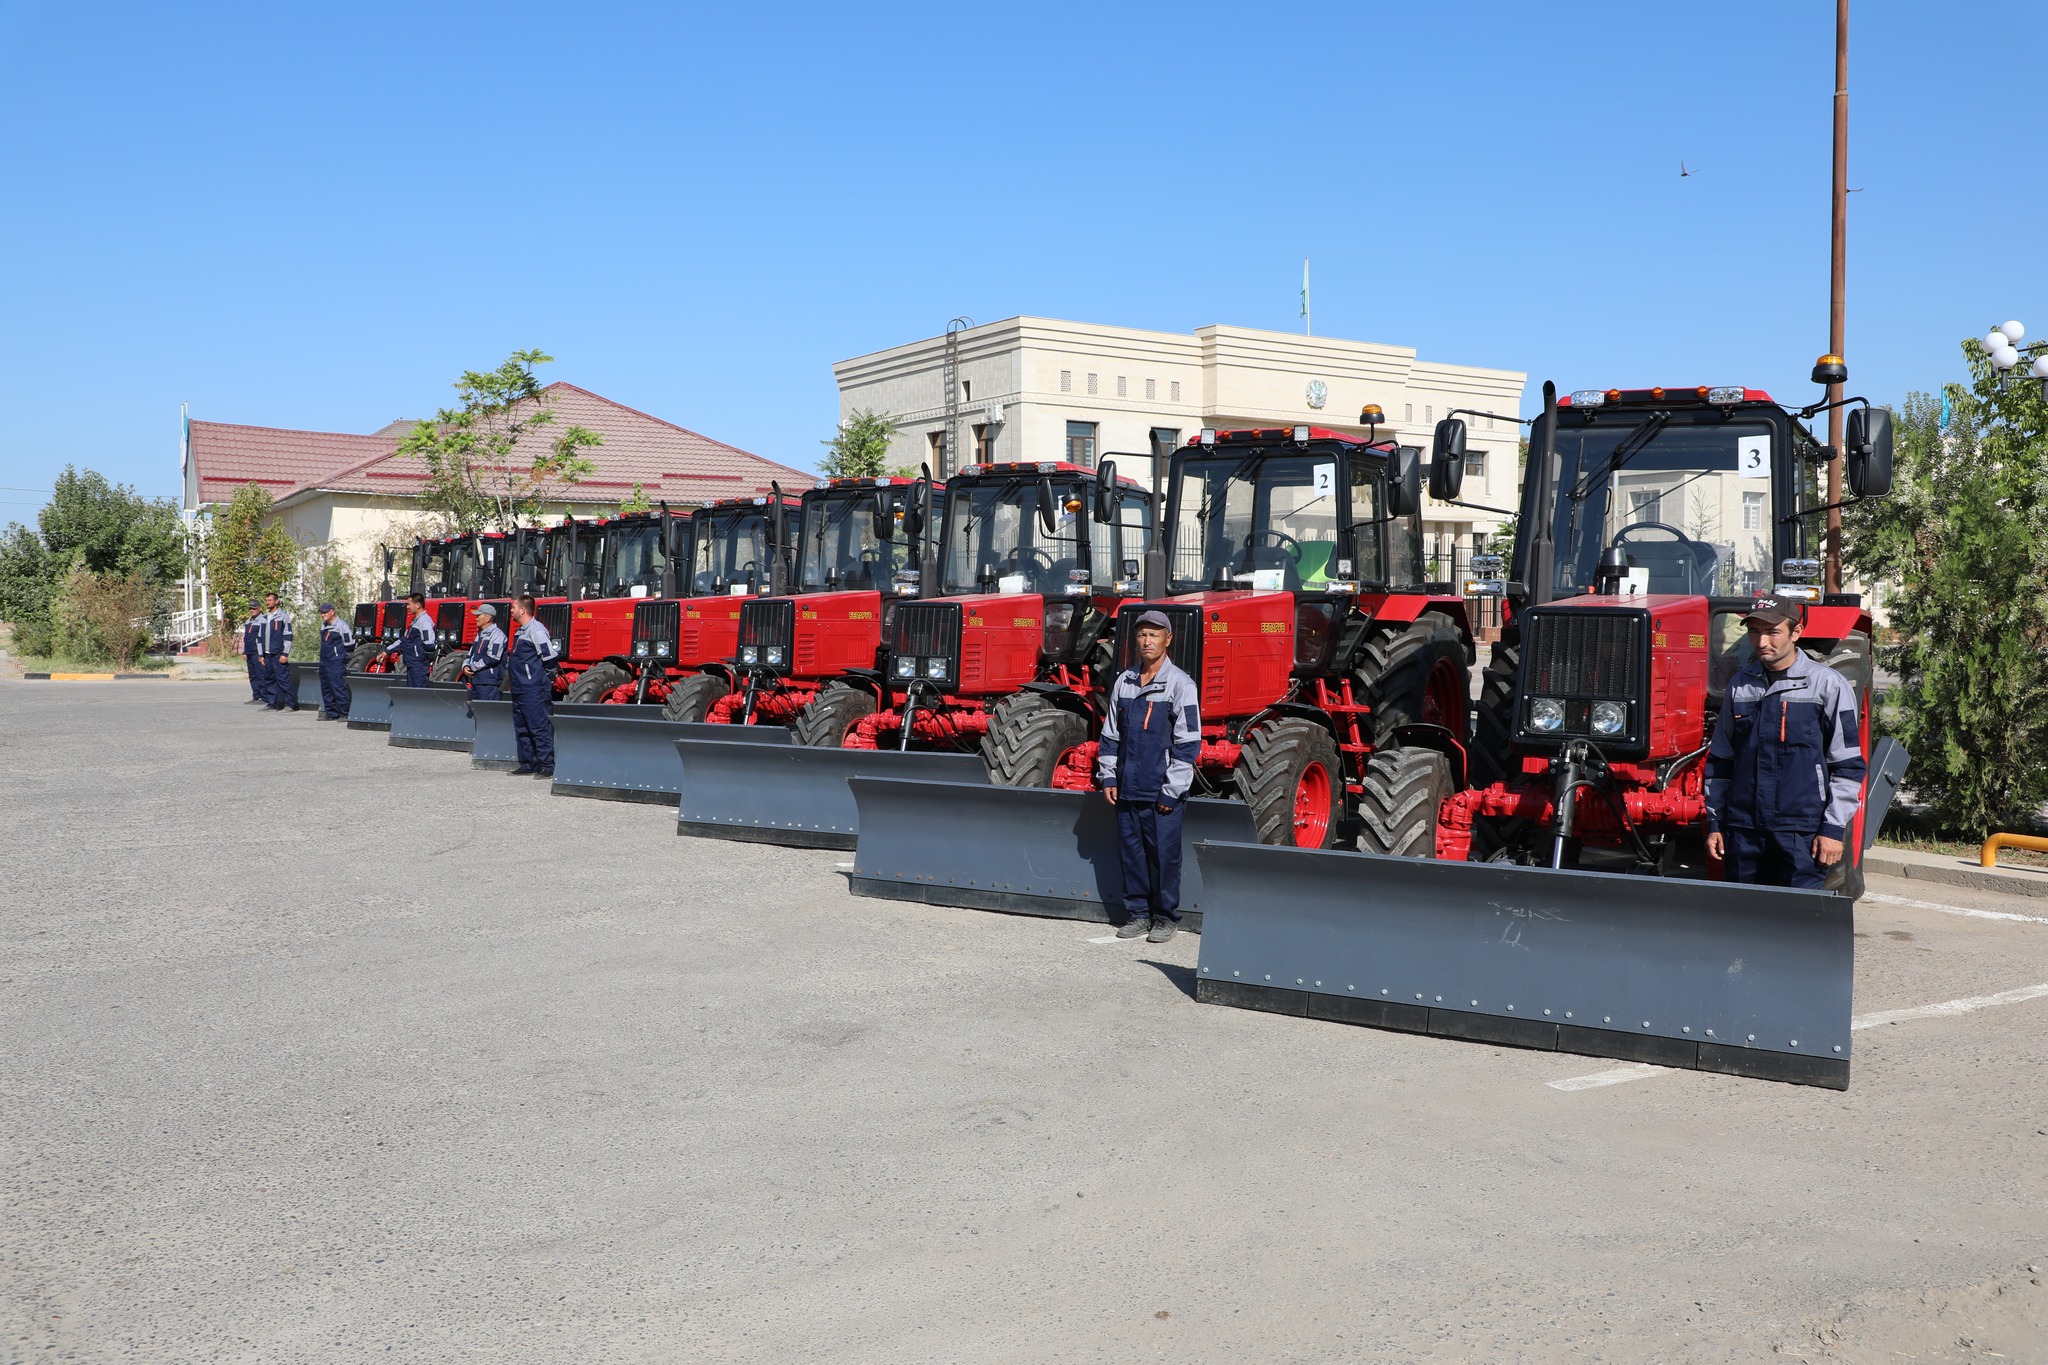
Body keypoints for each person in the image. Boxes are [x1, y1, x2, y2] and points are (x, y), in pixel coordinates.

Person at [1704, 597, 1866, 889]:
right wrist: (1715, 823)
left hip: (1802, 831)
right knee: (1745, 912)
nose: (1762, 641)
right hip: (1744, 831)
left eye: (1772, 632)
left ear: (1796, 632)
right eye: (1754, 631)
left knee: (1799, 914)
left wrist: (1832, 828)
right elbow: (1721, 760)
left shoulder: (1827, 685)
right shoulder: (1739, 685)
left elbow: (1848, 766)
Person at [1098, 609, 1201, 943]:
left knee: (1164, 858)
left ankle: (1165, 918)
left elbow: (1188, 744)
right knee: (1131, 854)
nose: (1147, 641)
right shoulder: (1124, 682)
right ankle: (1138, 915)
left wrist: (1172, 791)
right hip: (1127, 788)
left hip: (1161, 792)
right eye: (1142, 634)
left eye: (1154, 635)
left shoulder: (1181, 685)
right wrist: (1109, 777)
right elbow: (1110, 735)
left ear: (1167, 640)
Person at [505, 595, 559, 777]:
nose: (511, 610)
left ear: (522, 610)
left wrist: (541, 679)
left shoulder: (536, 630)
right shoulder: (520, 631)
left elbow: (549, 657)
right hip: (519, 687)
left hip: (533, 688)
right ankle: (528, 763)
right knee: (522, 727)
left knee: (539, 726)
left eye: (513, 607)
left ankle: (547, 765)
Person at [315, 602, 354, 720]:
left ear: (332, 612)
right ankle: (331, 713)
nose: (322, 615)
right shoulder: (324, 625)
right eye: (321, 612)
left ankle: (344, 713)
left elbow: (350, 644)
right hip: (324, 661)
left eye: (325, 612)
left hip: (336, 662)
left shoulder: (341, 625)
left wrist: (340, 657)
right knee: (326, 688)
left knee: (338, 687)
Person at [260, 591, 298, 711]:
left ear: (276, 601)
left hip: (278, 654)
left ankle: (290, 704)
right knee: (269, 679)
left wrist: (285, 654)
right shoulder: (264, 618)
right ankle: (272, 703)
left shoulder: (283, 617)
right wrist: (261, 654)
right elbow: (259, 638)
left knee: (283, 679)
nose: (267, 602)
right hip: (267, 654)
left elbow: (288, 636)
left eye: (270, 600)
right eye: (266, 600)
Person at [462, 602, 507, 700]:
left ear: (488, 618)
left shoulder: (497, 635)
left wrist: (473, 667)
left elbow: (492, 657)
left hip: (488, 683)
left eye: (478, 615)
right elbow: (470, 654)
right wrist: (465, 666)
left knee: (487, 709)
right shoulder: (480, 635)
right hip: (476, 681)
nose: (476, 618)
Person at [397, 592, 436, 688]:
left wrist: (421, 659)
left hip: (418, 666)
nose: (407, 607)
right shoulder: (415, 622)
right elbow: (404, 640)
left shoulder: (425, 621)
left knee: (419, 693)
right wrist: (387, 651)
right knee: (412, 692)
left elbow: (429, 644)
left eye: (409, 604)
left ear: (417, 605)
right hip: (412, 664)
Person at [240, 601, 265, 704]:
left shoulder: (263, 620)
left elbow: (262, 638)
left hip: (257, 652)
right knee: (252, 675)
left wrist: (261, 654)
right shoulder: (248, 621)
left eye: (254, 608)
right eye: (250, 608)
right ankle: (256, 696)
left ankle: (264, 697)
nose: (252, 610)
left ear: (260, 608)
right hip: (249, 652)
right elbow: (245, 638)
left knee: (260, 675)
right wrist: (244, 651)